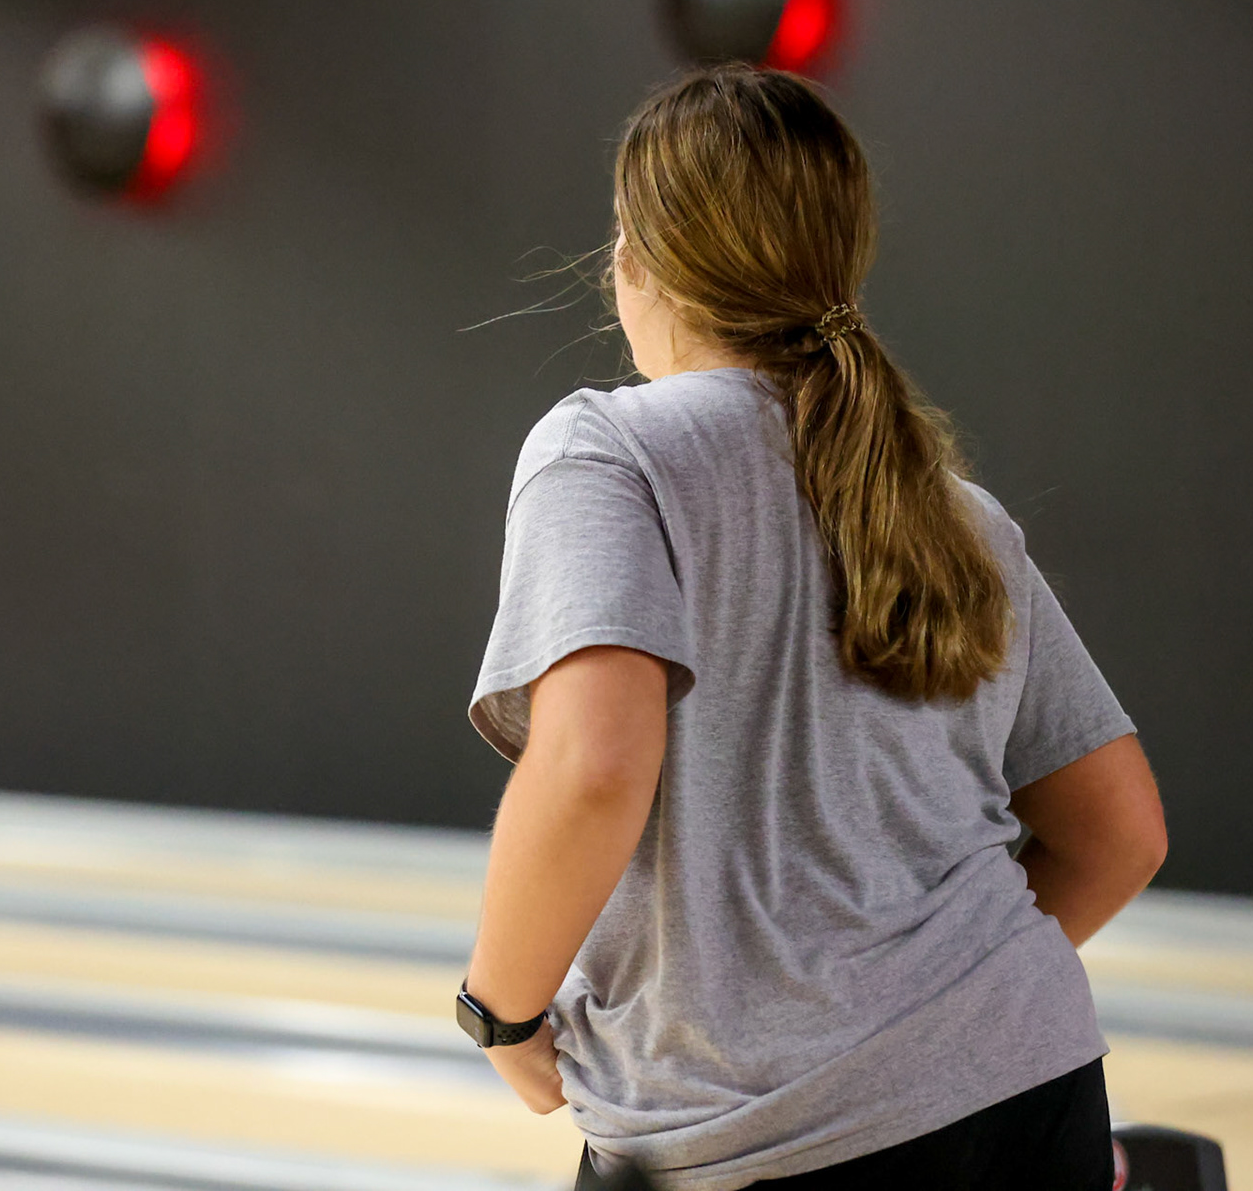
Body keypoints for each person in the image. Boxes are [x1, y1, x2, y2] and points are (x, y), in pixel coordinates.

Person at [458, 63, 1167, 1190]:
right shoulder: (952, 506)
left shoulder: (607, 451)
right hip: (1034, 1098)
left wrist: (499, 1011)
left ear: (640, 259)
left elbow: (593, 766)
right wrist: (946, 1013)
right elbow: (1120, 831)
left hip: (750, 1140)